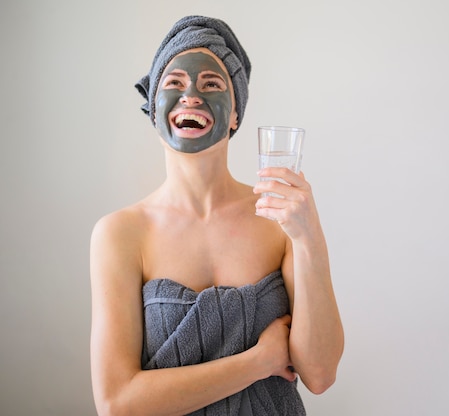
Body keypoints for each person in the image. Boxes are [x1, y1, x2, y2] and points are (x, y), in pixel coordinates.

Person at [89, 15, 344, 415]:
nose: (191, 94)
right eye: (174, 83)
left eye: (211, 84)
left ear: (235, 115)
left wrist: (309, 235)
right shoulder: (120, 234)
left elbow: (321, 373)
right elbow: (117, 404)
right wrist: (258, 361)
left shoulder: (279, 220)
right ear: (154, 110)